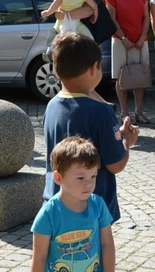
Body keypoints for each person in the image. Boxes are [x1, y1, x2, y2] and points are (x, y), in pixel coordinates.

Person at [43, 32, 139, 223]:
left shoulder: (52, 106)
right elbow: (116, 165)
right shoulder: (101, 112)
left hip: (56, 205)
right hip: (92, 210)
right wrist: (127, 141)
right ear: (94, 68)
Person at [31, 136, 116, 272]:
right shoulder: (48, 214)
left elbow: (107, 244)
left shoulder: (98, 206)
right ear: (58, 177)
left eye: (93, 176)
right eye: (80, 178)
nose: (89, 183)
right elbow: (39, 256)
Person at [105, 0, 151, 124]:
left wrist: (141, 37)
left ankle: (139, 111)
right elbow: (112, 19)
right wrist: (124, 38)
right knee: (121, 78)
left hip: (140, 41)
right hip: (120, 41)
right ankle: (125, 113)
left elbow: (146, 17)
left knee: (140, 76)